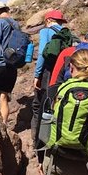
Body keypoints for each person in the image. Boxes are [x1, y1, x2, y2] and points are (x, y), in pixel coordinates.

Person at [31, 10, 68, 148]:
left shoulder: (46, 32)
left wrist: (37, 75)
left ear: (48, 20)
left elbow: (41, 54)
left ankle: (39, 143)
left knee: (39, 106)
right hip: (63, 74)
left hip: (48, 72)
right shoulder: (67, 34)